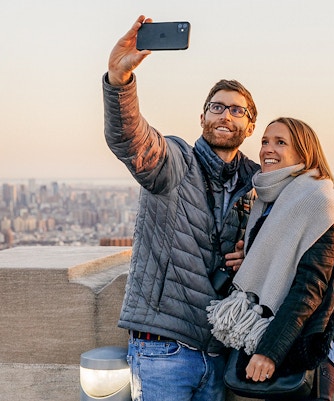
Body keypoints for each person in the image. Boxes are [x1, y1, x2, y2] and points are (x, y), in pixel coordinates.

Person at [103, 15, 260, 401]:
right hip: (163, 349)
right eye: (217, 107)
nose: (225, 115)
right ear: (202, 117)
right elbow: (132, 140)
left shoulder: (257, 183)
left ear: (250, 126)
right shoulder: (175, 161)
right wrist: (119, 80)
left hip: (221, 352)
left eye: (237, 110)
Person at [208, 117, 334, 400]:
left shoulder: (319, 201)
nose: (267, 149)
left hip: (303, 343)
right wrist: (248, 259)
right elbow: (274, 261)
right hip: (264, 330)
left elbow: (309, 288)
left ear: (303, 152)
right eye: (264, 141)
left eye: (280, 142)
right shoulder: (267, 199)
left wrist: (269, 352)